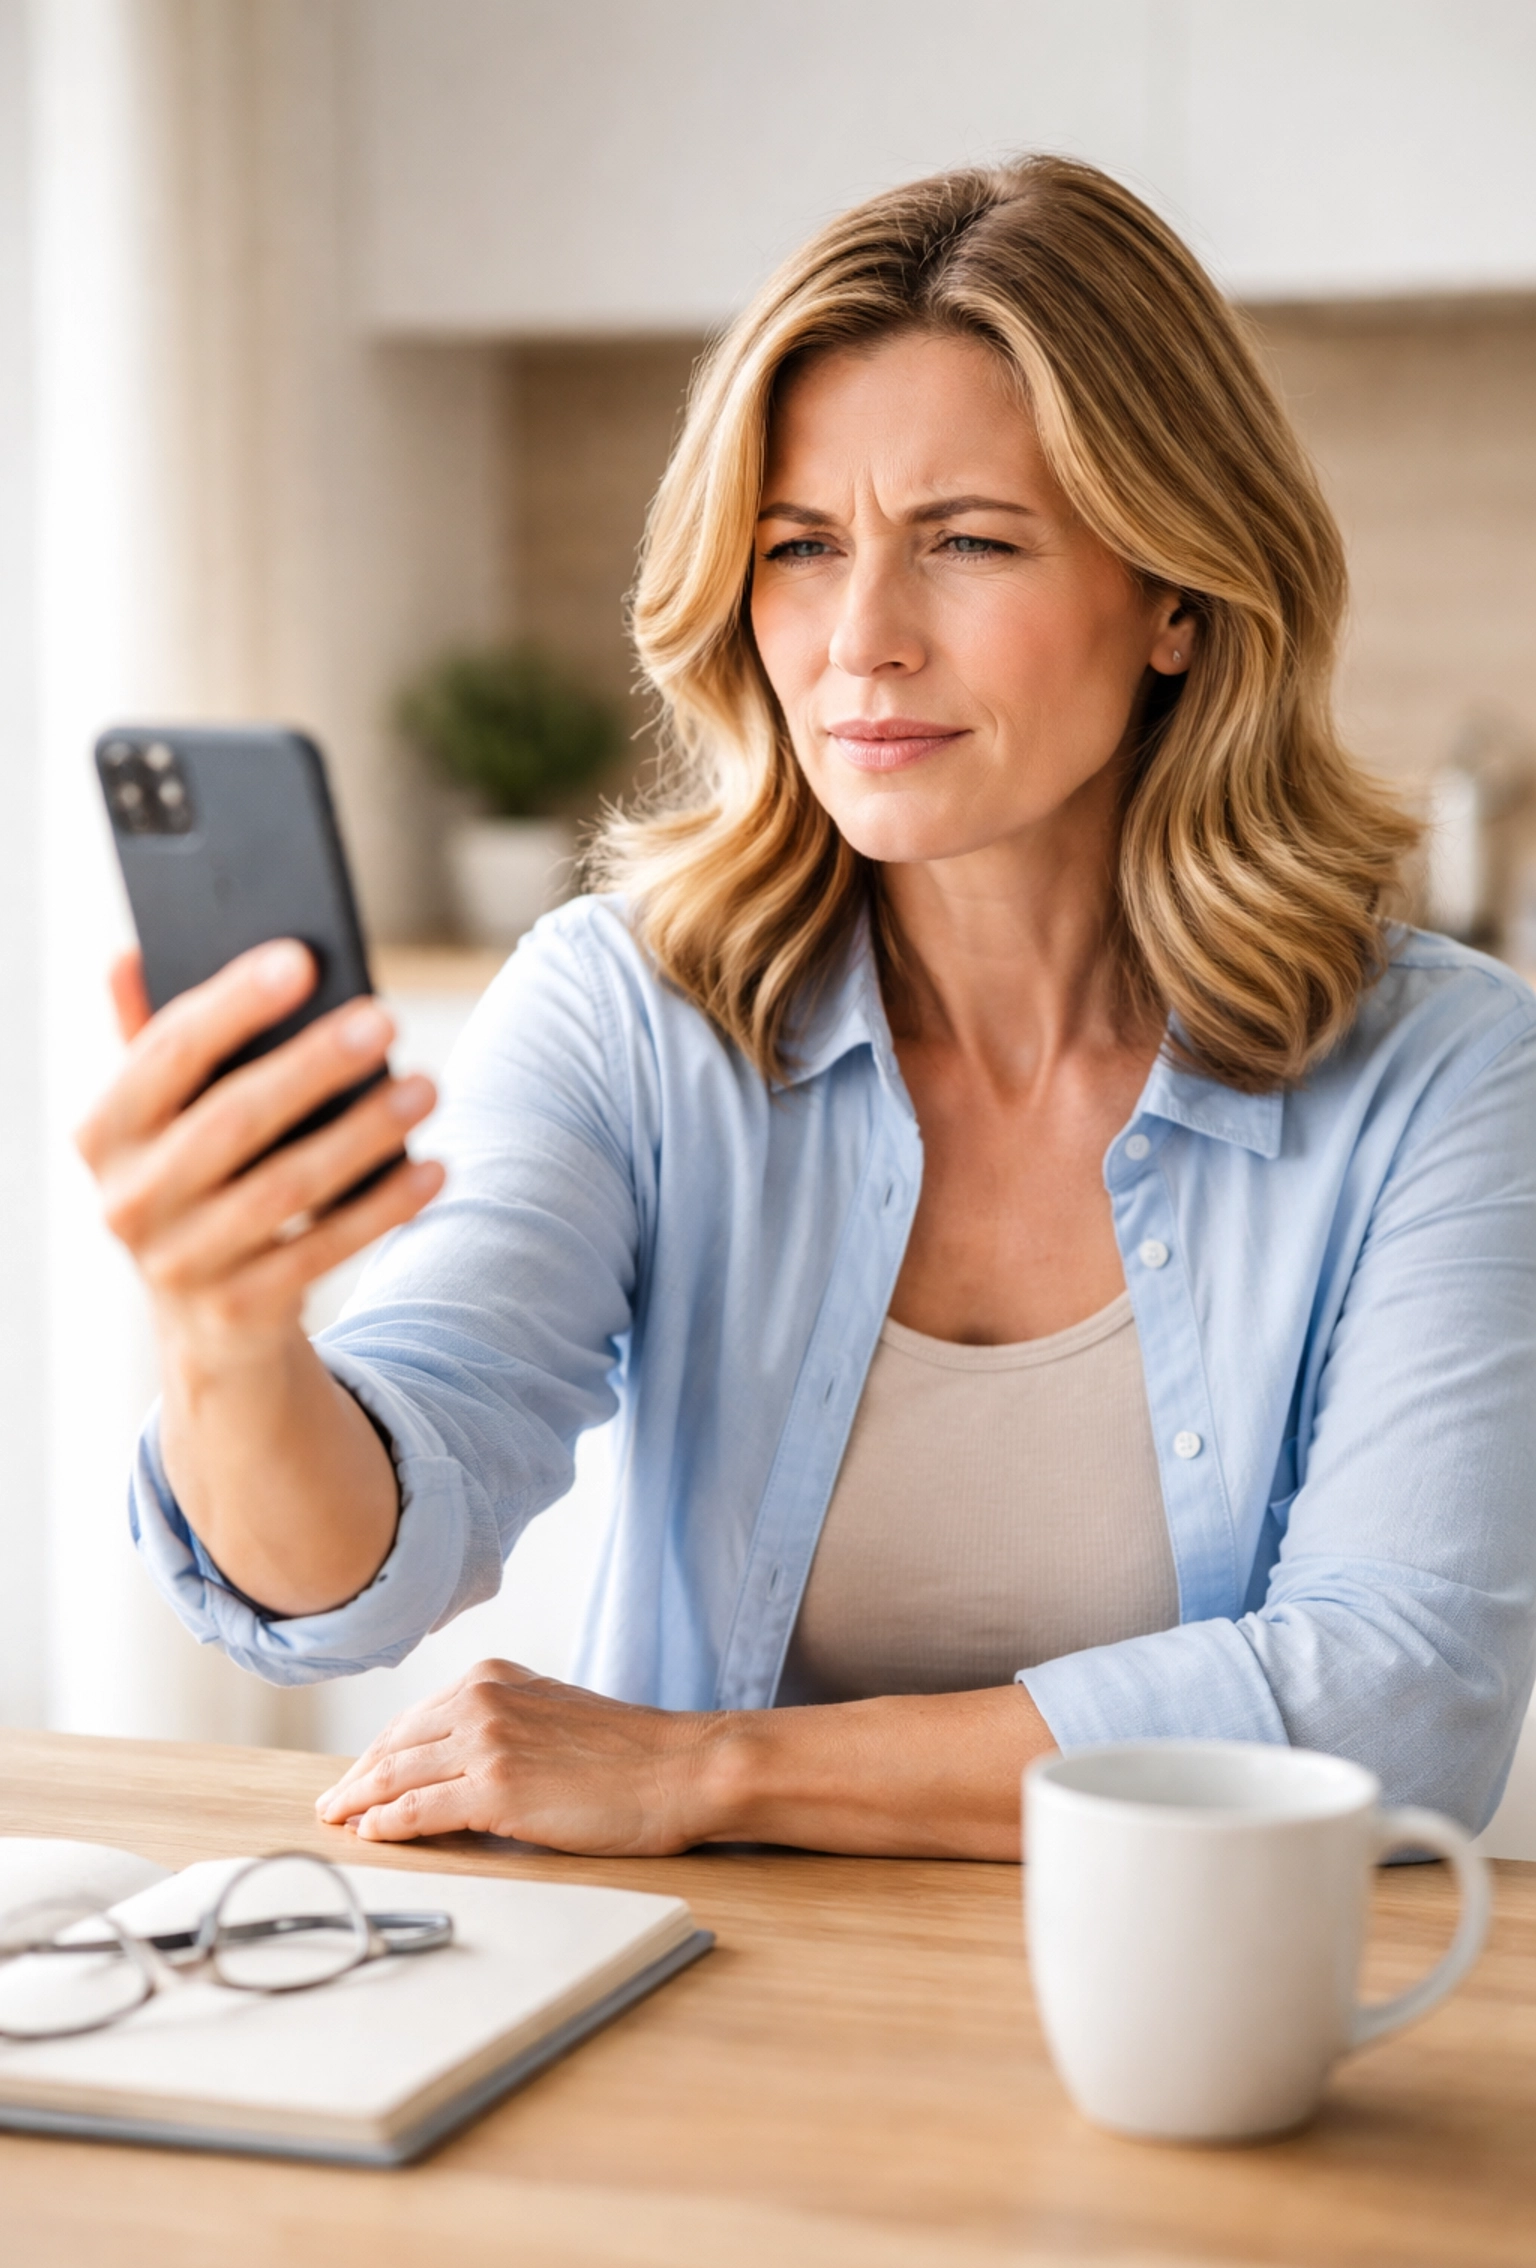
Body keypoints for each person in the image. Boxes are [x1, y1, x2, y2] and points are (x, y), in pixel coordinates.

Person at [80, 156, 1536, 1861]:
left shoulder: (1442, 1072)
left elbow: (1397, 1703)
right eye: (800, 548)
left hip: (1214, 2029)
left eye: (970, 542)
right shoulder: (630, 1015)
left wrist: (712, 1770)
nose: (861, 641)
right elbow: (349, 1574)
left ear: (1180, 601)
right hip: (726, 2021)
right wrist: (227, 1341)